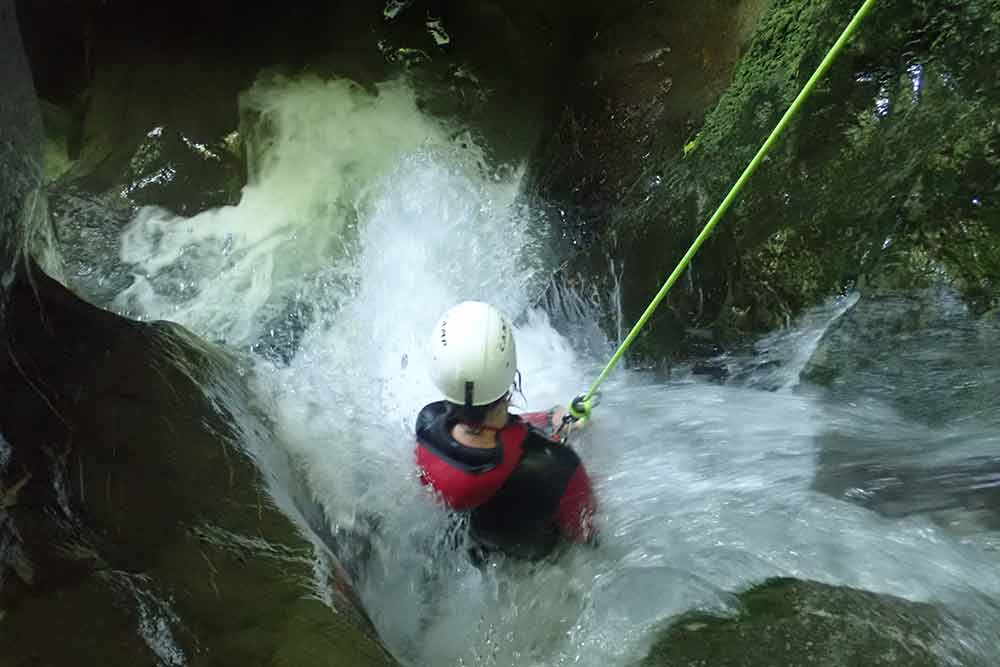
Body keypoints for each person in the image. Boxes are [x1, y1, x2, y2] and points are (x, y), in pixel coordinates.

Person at [414, 301, 597, 560]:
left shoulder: (427, 424)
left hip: (462, 552)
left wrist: (547, 418)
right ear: (511, 371)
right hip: (538, 568)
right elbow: (587, 537)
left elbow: (489, 433)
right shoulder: (558, 467)